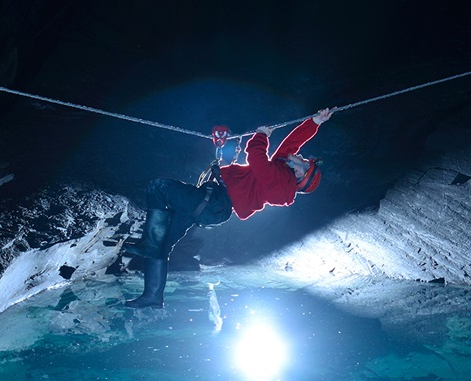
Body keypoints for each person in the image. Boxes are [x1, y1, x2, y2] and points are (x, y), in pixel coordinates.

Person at [124, 108, 333, 308]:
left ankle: (149, 243)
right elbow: (292, 144)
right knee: (163, 244)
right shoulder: (283, 172)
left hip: (214, 203)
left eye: (305, 162)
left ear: (299, 173)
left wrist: (261, 136)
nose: (303, 157)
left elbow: (256, 158)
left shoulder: (280, 183)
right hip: (212, 204)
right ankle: (152, 296)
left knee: (158, 187)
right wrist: (316, 122)